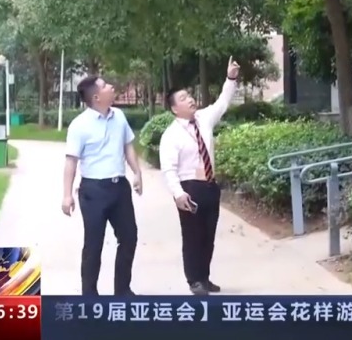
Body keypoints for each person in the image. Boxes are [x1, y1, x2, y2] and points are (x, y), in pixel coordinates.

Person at [159, 56, 239, 296]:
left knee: (208, 235)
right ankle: (194, 280)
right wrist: (178, 194)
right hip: (189, 189)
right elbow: (168, 168)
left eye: (190, 96)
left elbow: (223, 102)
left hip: (209, 186)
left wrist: (230, 78)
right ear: (175, 108)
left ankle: (204, 277)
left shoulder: (204, 118)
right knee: (192, 236)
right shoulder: (171, 135)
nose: (191, 99)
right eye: (183, 98)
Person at [62, 76, 143, 296]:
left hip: (119, 188)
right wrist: (67, 195)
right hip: (93, 191)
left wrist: (137, 172)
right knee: (93, 244)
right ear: (96, 97)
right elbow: (71, 161)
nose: (111, 86)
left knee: (129, 237)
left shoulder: (119, 117)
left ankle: (122, 290)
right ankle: (89, 295)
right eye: (106, 85)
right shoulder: (79, 125)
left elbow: (128, 146)